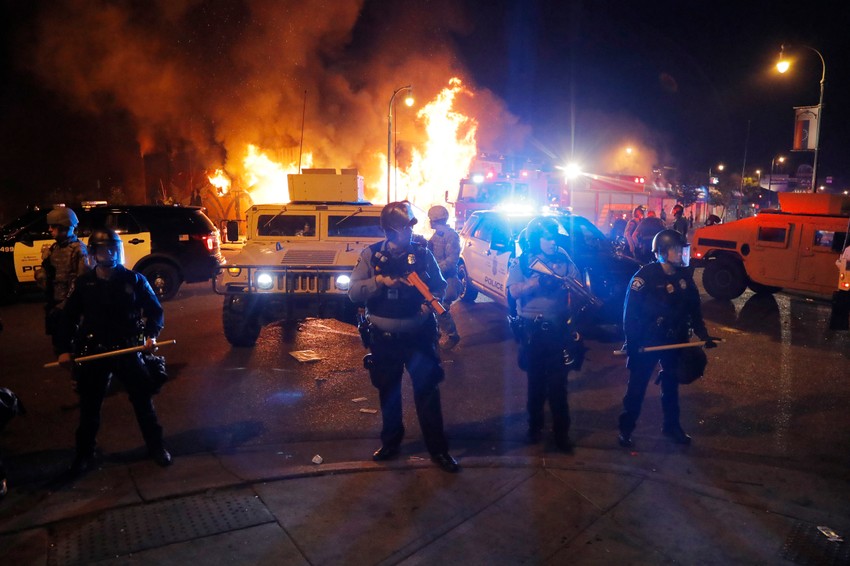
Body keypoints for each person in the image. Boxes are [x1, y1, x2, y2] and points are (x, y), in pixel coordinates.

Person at [348, 201, 459, 473]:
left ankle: (438, 450)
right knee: (389, 393)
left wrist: (427, 304)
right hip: (384, 339)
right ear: (388, 230)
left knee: (427, 394)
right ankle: (391, 442)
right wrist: (379, 283)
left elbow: (440, 286)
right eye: (402, 229)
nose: (408, 233)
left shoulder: (422, 254)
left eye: (410, 227)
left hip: (418, 336)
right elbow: (353, 292)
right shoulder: (371, 255)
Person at [55, 228, 172, 475]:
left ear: (117, 250)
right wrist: (63, 350)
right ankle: (84, 455)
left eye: (111, 248)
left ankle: (156, 447)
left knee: (143, 403)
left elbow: (155, 312)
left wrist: (150, 335)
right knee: (89, 408)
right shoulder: (84, 284)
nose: (107, 253)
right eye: (101, 249)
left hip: (128, 348)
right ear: (93, 253)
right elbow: (68, 319)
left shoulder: (134, 280)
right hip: (94, 350)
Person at [618, 229, 717, 448]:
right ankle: (626, 429)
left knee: (671, 386)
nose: (681, 253)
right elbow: (630, 314)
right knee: (637, 388)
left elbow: (694, 309)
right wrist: (633, 343)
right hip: (648, 341)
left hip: (674, 340)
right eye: (675, 249)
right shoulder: (645, 277)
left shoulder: (684, 277)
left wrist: (704, 335)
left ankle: (672, 426)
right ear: (662, 252)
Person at [507, 216, 583, 452]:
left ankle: (561, 434)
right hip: (533, 330)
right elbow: (513, 291)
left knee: (559, 385)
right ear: (535, 239)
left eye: (554, 238)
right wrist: (536, 283)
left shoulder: (563, 258)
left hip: (559, 328)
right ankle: (534, 428)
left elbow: (578, 282)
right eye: (547, 238)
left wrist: (568, 283)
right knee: (536, 383)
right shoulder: (521, 262)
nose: (552, 242)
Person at [36, 206, 88, 354]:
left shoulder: (79, 250)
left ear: (64, 227)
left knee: (73, 348)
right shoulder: (54, 248)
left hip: (71, 307)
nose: (50, 229)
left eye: (53, 226)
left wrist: (65, 305)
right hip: (56, 303)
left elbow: (81, 282)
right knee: (59, 345)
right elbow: (48, 277)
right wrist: (42, 273)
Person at [427, 205, 461, 350]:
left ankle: (453, 336)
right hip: (439, 279)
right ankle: (436, 334)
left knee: (441, 308)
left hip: (448, 279)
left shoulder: (450, 236)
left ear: (434, 220)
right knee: (433, 306)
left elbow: (452, 260)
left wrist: (434, 269)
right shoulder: (437, 235)